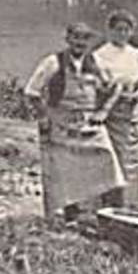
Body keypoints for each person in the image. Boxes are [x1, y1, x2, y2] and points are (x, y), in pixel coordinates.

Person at [24, 22, 125, 222]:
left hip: (89, 124)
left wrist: (103, 111)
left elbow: (116, 86)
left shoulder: (97, 63)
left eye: (85, 39)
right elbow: (31, 92)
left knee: (108, 161)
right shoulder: (53, 62)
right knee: (65, 171)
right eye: (76, 38)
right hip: (61, 124)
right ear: (68, 39)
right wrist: (44, 117)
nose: (80, 43)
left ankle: (110, 214)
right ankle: (70, 214)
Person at [93, 9, 138, 209]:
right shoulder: (99, 56)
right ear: (110, 31)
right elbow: (96, 86)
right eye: (118, 30)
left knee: (136, 160)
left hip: (134, 113)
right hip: (112, 115)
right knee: (114, 160)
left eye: (127, 30)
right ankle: (114, 204)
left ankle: (136, 203)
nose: (123, 34)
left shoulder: (137, 55)